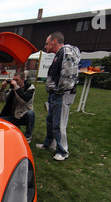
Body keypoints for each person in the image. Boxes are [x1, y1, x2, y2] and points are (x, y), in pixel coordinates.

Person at [36, 31, 80, 161]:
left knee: (59, 123)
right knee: (50, 121)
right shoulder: (59, 55)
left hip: (61, 95)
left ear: (54, 41)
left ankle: (62, 151)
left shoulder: (66, 53)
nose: (45, 46)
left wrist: (57, 90)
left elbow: (67, 77)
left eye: (47, 43)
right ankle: (49, 144)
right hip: (55, 95)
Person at [0, 71, 36, 143]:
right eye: (13, 80)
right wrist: (2, 89)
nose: (14, 82)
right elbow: (0, 99)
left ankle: (28, 136)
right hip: (14, 116)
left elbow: (24, 100)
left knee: (31, 113)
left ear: (23, 80)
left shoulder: (30, 88)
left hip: (24, 115)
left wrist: (16, 88)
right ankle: (14, 130)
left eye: (17, 80)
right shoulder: (12, 89)